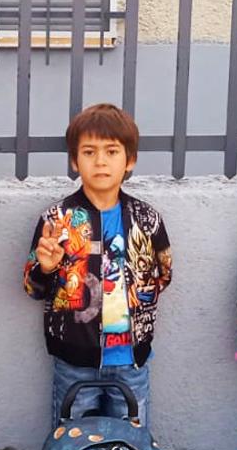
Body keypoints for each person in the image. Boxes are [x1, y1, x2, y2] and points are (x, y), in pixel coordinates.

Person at [23, 103, 172, 429]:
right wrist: (47, 268)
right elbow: (33, 287)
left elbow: (163, 272)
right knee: (74, 447)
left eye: (112, 151)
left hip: (131, 361)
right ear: (75, 161)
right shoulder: (57, 219)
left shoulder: (147, 220)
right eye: (89, 152)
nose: (101, 161)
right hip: (73, 360)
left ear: (129, 160)